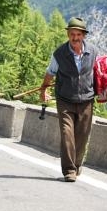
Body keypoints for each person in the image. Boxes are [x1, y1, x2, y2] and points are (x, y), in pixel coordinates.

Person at [40, 17, 97, 182]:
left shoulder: (92, 52)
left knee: (83, 135)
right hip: (65, 99)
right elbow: (50, 73)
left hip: (86, 99)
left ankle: (77, 163)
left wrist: (102, 91)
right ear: (68, 34)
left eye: (78, 34)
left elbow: (98, 74)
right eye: (72, 34)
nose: (75, 38)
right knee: (67, 134)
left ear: (83, 35)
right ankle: (69, 170)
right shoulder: (59, 53)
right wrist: (44, 89)